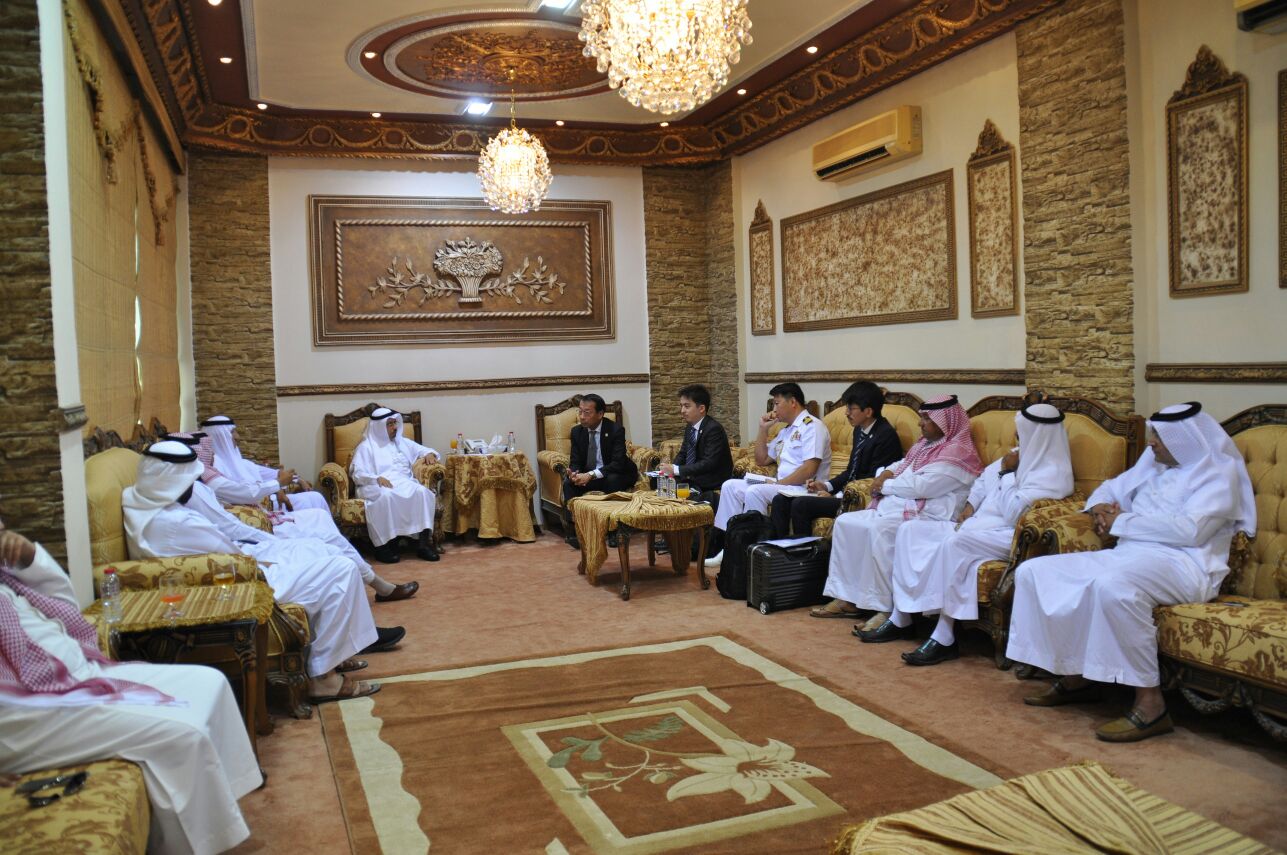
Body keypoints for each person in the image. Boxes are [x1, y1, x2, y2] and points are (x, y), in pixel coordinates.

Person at [0, 516, 262, 854]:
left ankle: (224, 812)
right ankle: (200, 844)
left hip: (76, 674)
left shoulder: (8, 576)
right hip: (26, 711)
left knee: (211, 682)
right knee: (185, 736)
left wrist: (29, 558)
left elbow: (64, 608)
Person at [1006, 402, 1255, 743]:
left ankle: (1151, 705)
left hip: (1185, 565)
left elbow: (1189, 531)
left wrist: (1121, 521)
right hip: (1131, 555)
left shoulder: (1217, 476)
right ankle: (1076, 675)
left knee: (1113, 587)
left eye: (1159, 438)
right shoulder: (1154, 465)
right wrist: (1099, 508)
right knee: (1035, 572)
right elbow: (1110, 488)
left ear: (1184, 441)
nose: (1151, 443)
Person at [123, 441, 389, 703]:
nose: (193, 486)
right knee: (341, 569)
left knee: (320, 549)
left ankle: (333, 655)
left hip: (222, 573)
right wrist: (264, 563)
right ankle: (324, 679)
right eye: (188, 479)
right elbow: (229, 552)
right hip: (236, 585)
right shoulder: (176, 521)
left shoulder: (138, 502)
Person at [880, 403, 1074, 664]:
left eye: (1021, 432)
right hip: (977, 525)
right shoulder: (1019, 455)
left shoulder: (1053, 473)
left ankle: (944, 635)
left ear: (1037, 434)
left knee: (956, 543)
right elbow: (983, 481)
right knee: (910, 531)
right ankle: (901, 617)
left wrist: (1008, 473)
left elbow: (1013, 513)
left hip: (1008, 535)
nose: (1016, 437)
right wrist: (970, 506)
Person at [176, 433, 417, 603]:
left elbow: (260, 480)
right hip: (252, 538)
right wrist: (275, 488)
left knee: (323, 523)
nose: (236, 437)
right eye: (232, 433)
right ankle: (375, 589)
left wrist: (284, 482)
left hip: (256, 528)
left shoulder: (202, 482)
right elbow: (241, 500)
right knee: (331, 548)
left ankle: (373, 590)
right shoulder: (197, 488)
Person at [823, 395, 982, 629]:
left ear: (945, 421)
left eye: (927, 419)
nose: (920, 423)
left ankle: (886, 608)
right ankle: (848, 598)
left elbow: (922, 487)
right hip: (906, 505)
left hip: (933, 516)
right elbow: (901, 464)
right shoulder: (926, 444)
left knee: (881, 529)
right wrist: (886, 474)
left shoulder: (957, 453)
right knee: (847, 522)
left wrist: (884, 485)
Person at [706, 382, 831, 568]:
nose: (774, 409)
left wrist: (779, 484)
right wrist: (763, 429)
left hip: (805, 489)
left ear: (793, 402)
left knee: (755, 492)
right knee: (730, 486)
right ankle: (728, 547)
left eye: (777, 403)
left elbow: (809, 469)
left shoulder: (812, 427)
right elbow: (762, 459)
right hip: (784, 485)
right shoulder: (786, 430)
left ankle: (754, 550)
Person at [772, 381, 902, 539]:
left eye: (851, 408)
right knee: (781, 500)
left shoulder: (885, 436)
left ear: (868, 411)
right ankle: (777, 549)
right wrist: (826, 486)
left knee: (801, 504)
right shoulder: (859, 430)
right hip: (847, 493)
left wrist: (837, 496)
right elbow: (851, 471)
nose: (846, 413)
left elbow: (872, 481)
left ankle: (804, 552)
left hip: (862, 498)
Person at [350, 408, 441, 564]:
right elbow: (357, 473)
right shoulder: (366, 447)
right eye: (390, 424)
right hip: (373, 485)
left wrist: (429, 454)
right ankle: (383, 548)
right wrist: (376, 478)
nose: (395, 427)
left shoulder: (401, 442)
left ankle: (423, 545)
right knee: (386, 496)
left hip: (402, 482)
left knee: (422, 492)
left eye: (395, 423)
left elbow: (423, 449)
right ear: (379, 427)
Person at [199, 415, 329, 514]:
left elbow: (275, 474)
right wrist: (277, 486)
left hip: (267, 503)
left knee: (316, 498)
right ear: (220, 436)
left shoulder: (242, 464)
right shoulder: (215, 467)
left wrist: (299, 480)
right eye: (233, 432)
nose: (238, 437)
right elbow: (245, 493)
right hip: (258, 509)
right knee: (316, 500)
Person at [562, 394, 640, 549]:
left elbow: (617, 463)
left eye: (587, 412)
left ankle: (613, 531)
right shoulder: (577, 432)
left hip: (618, 473)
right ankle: (576, 532)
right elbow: (576, 460)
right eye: (580, 412)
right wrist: (575, 474)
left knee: (612, 480)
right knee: (568, 484)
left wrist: (590, 475)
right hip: (592, 476)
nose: (582, 417)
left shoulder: (615, 430)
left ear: (600, 414)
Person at [659, 384, 734, 495]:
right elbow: (683, 454)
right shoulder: (690, 426)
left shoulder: (713, 429)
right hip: (694, 477)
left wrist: (676, 470)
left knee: (673, 488)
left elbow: (709, 463)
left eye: (687, 406)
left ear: (701, 408)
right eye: (681, 406)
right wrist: (671, 468)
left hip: (711, 480)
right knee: (659, 481)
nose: (682, 410)